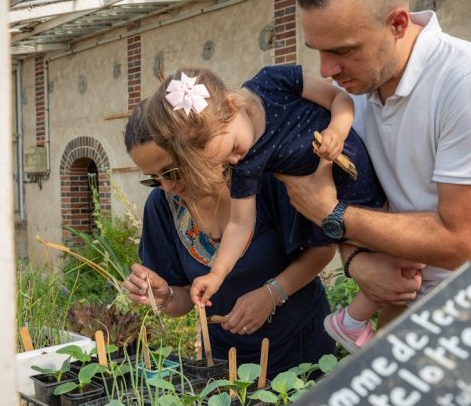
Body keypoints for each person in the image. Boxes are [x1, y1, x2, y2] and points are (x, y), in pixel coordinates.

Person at [278, 0, 471, 328]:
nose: (327, 70)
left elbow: (464, 241)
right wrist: (357, 261)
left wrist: (330, 213)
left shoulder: (466, 81)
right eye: (318, 51)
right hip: (402, 313)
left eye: (342, 50)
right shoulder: (350, 95)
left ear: (397, 23)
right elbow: (359, 205)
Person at [145, 66, 386, 352]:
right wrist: (216, 274)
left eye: (233, 147)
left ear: (232, 105)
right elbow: (240, 225)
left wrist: (336, 130)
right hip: (351, 201)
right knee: (396, 271)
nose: (235, 161)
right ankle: (357, 324)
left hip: (362, 181)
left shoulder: (272, 82)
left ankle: (358, 325)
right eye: (224, 161)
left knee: (399, 266)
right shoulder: (247, 165)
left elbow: (339, 99)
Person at [121, 101, 337, 375]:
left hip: (300, 347)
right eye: (153, 179)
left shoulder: (262, 179)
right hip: (226, 360)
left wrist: (272, 294)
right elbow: (186, 299)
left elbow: (322, 250)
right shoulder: (162, 206)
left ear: (198, 147)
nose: (167, 186)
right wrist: (165, 296)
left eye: (172, 171)